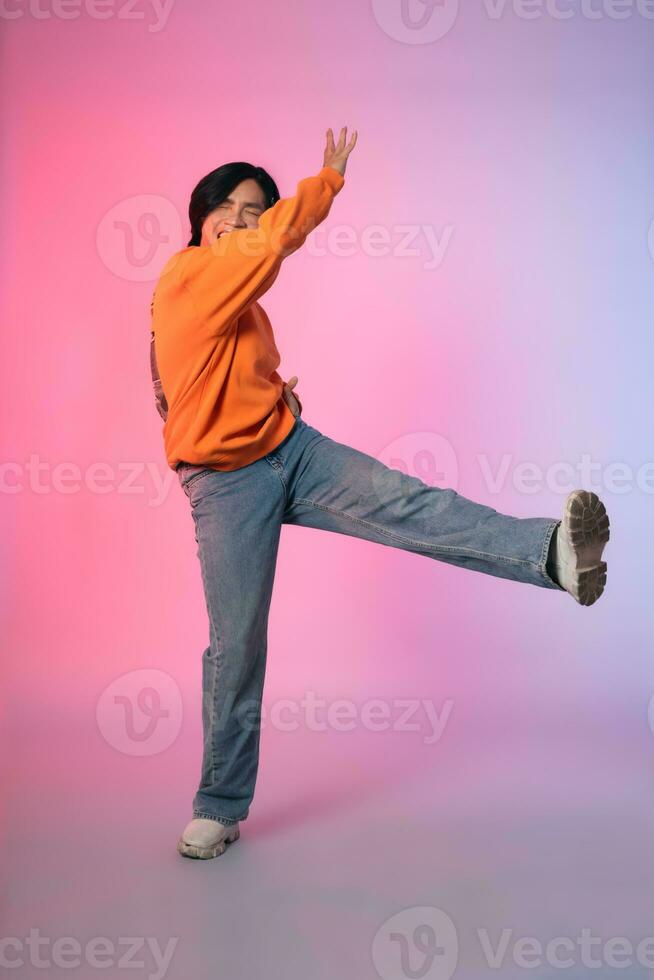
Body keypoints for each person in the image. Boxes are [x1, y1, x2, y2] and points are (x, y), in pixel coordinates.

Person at [149, 127, 610, 860]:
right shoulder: (186, 275)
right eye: (232, 209)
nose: (245, 220)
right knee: (237, 646)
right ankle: (219, 805)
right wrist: (323, 183)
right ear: (201, 219)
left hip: (290, 453)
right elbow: (264, 250)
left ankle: (551, 552)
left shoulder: (242, 304)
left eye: (257, 209)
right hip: (228, 487)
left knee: (410, 504)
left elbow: (210, 381)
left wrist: (273, 402)